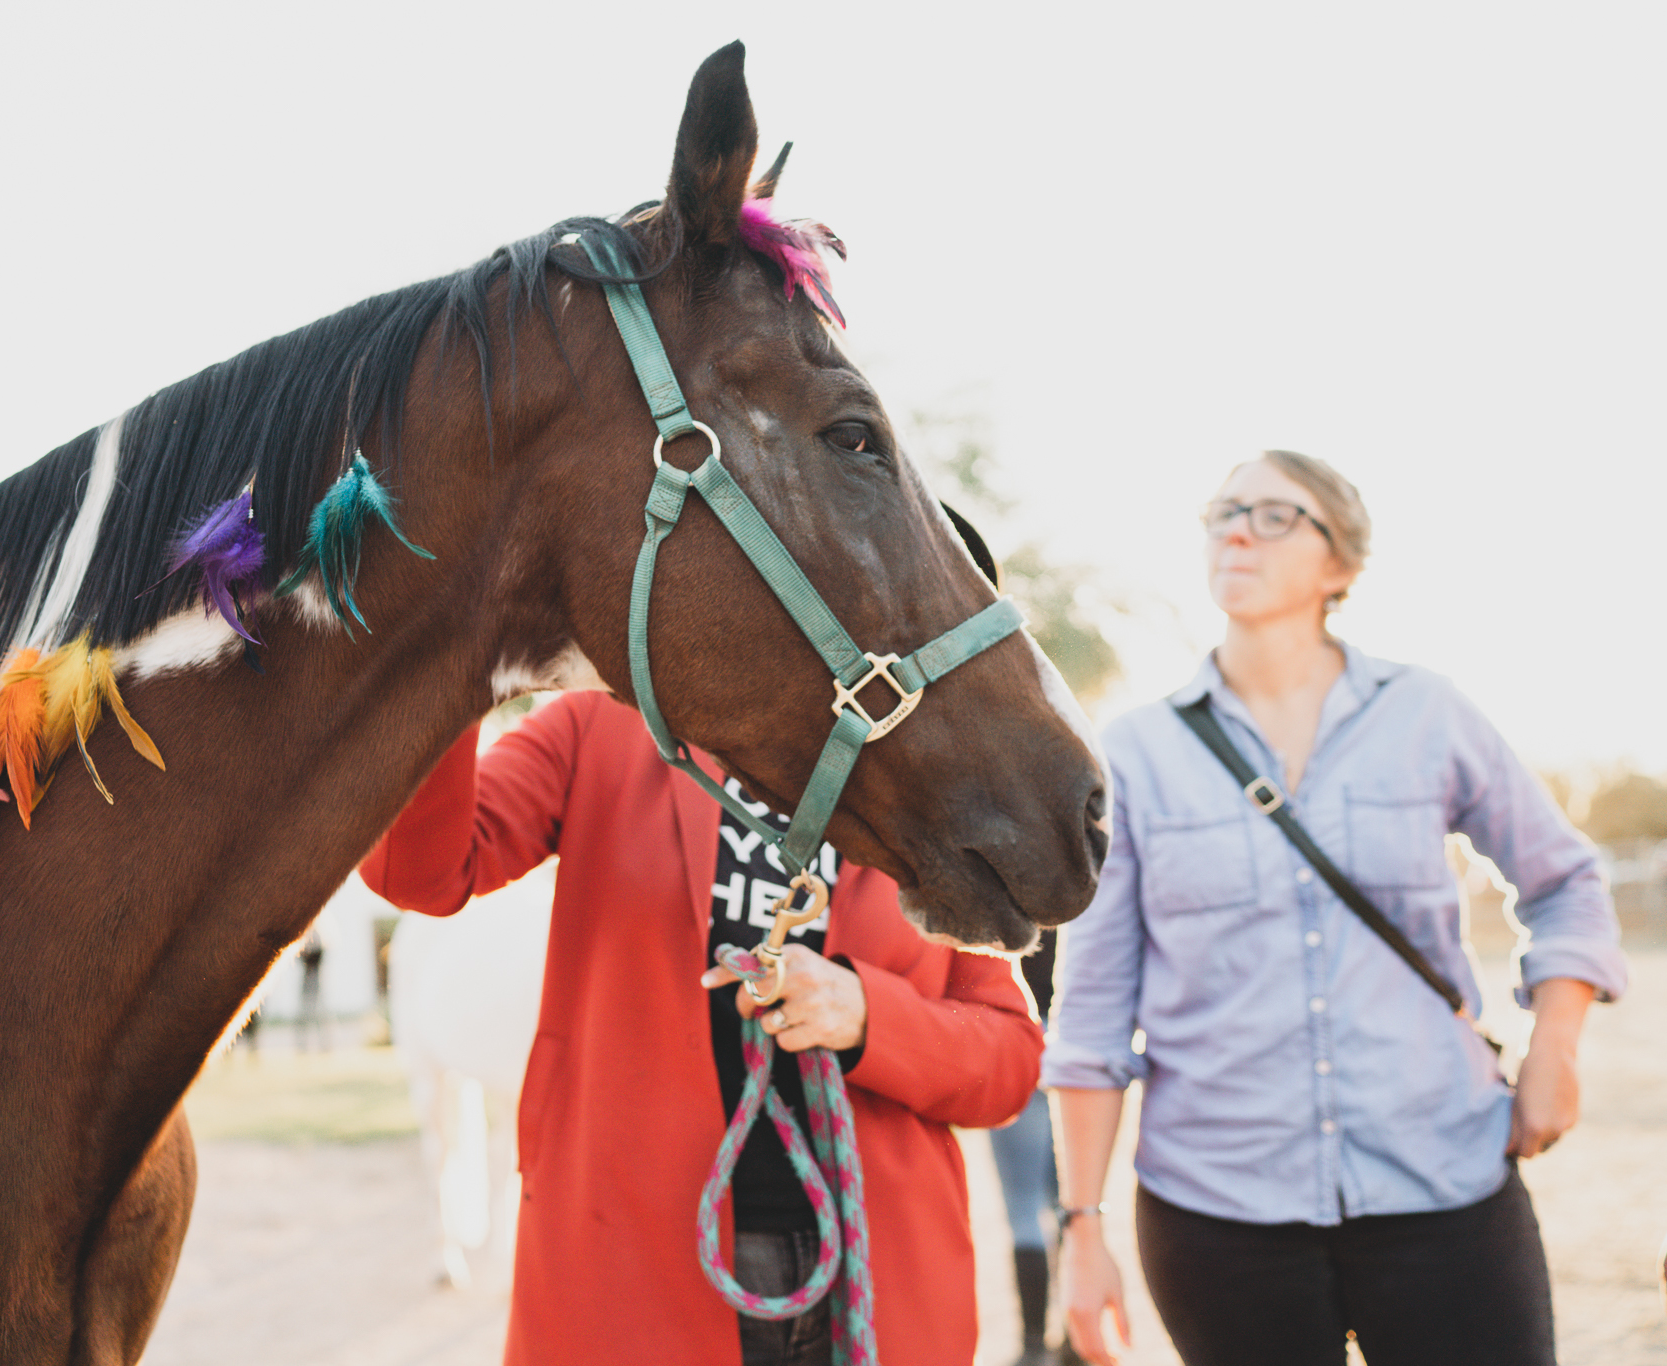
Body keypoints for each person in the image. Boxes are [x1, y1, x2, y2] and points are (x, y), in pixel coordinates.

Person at [1045, 450, 1627, 1366]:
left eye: (1276, 515)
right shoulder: (1134, 753)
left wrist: (1554, 1047)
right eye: (1223, 510)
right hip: (1218, 1217)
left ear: (1341, 566)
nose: (1237, 528)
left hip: (1445, 1190)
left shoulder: (1428, 714)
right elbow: (1091, 1013)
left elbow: (1564, 882)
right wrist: (1082, 1228)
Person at [361, 688, 1045, 1366]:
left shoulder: (938, 765)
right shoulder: (598, 725)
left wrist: (868, 1014)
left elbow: (1009, 1058)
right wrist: (457, 679)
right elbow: (415, 872)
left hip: (877, 1289)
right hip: (635, 1283)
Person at [989, 931, 1080, 1365]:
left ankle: (1032, 1344)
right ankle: (1073, 1337)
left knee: (1024, 1209)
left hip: (1019, 1043)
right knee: (1072, 1205)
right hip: (1068, 1045)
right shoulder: (1079, 888)